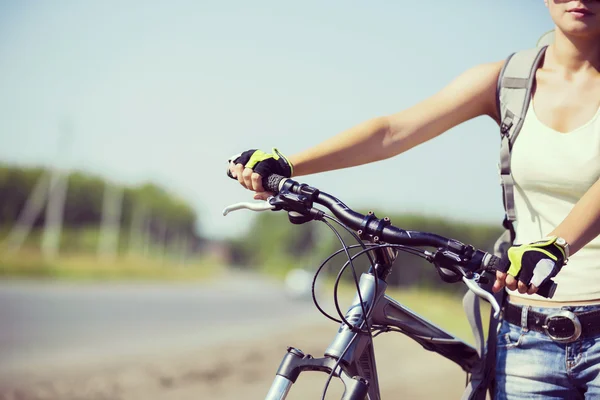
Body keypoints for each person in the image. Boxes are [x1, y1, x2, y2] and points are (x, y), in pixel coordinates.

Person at [227, 1, 600, 398]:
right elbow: (393, 131)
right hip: (525, 335)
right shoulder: (511, 80)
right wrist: (288, 164)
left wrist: (557, 245)